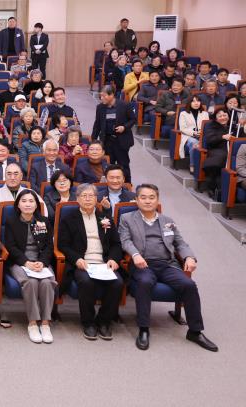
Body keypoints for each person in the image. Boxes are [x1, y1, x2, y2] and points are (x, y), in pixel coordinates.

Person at [119, 184, 218, 352]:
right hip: (143, 264)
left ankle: (195, 331)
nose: (148, 201)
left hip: (167, 264)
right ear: (136, 200)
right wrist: (135, 255)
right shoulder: (127, 218)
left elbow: (180, 243)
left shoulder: (168, 221)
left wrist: (189, 257)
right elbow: (125, 240)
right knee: (144, 283)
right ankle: (144, 329)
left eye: (152, 197)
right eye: (143, 197)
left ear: (157, 200)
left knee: (189, 285)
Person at [57, 183, 124, 340]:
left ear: (96, 199)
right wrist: (77, 259)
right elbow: (63, 245)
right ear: (77, 199)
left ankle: (104, 321)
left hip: (104, 263)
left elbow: (116, 243)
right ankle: (88, 322)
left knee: (117, 283)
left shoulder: (105, 218)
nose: (87, 199)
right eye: (84, 196)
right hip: (83, 263)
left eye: (91, 196)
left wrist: (113, 259)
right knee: (86, 282)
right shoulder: (69, 218)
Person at [4, 189, 56, 343]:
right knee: (30, 282)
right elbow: (11, 246)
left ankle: (45, 323)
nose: (28, 204)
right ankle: (32, 323)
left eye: (31, 201)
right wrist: (26, 262)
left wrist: (43, 262)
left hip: (40, 262)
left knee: (47, 282)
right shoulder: (12, 221)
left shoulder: (44, 221)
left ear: (36, 205)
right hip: (20, 262)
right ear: (18, 205)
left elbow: (49, 246)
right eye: (24, 201)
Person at [92, 85, 136, 183]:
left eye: (104, 96)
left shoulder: (124, 105)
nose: (101, 98)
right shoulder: (100, 107)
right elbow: (97, 124)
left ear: (111, 95)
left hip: (121, 140)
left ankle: (127, 186)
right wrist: (93, 140)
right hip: (107, 140)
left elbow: (133, 119)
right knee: (108, 165)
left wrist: (124, 127)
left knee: (123, 165)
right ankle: (110, 185)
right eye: (100, 96)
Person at [202, 108, 244, 198]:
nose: (223, 118)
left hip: (231, 151)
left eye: (224, 115)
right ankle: (213, 187)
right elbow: (210, 140)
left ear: (228, 117)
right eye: (220, 116)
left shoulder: (233, 126)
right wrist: (222, 137)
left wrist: (242, 126)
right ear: (216, 118)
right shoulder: (211, 126)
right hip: (216, 149)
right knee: (222, 158)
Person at [178, 95, 209, 166]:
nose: (196, 103)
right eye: (193, 101)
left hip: (201, 136)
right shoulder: (183, 114)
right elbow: (182, 128)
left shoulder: (205, 114)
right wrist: (194, 133)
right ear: (189, 103)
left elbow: (206, 127)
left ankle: (204, 165)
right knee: (194, 143)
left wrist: (201, 133)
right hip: (188, 136)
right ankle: (192, 165)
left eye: (198, 101)